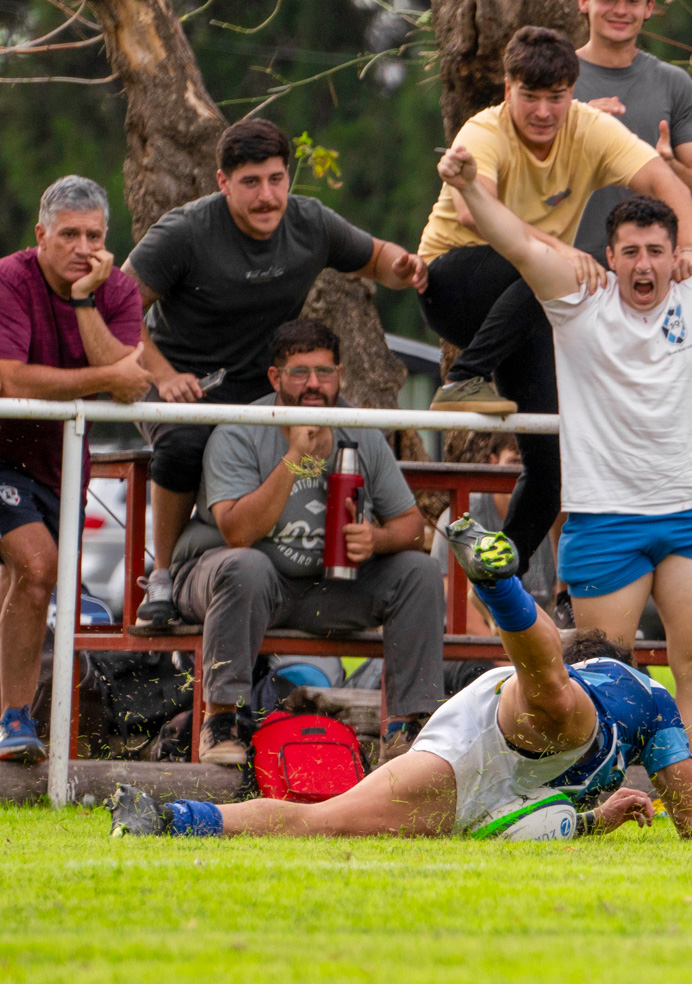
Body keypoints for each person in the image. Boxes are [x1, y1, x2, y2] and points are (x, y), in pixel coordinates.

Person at [435, 141, 692, 807]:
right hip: (604, 519)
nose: (643, 264)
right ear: (610, 256)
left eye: (656, 250)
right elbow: (519, 245)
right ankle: (601, 799)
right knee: (600, 672)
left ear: (675, 253)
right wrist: (473, 188)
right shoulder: (576, 298)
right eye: (631, 251)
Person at [108, 520, 692, 841]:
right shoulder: (640, 692)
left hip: (484, 773)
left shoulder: (600, 695)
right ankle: (499, 585)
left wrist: (594, 821)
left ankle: (168, 819)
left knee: (325, 823)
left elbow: (538, 818)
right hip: (509, 723)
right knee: (554, 695)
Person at [122, 119, 428, 633]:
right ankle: (163, 576)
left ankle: (334, 563)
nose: (267, 196)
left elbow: (375, 257)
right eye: (250, 183)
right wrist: (165, 373)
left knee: (350, 430)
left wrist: (404, 265)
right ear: (222, 182)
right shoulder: (185, 232)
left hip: (263, 381)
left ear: (289, 177)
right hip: (179, 377)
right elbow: (118, 308)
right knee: (182, 442)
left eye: (276, 179)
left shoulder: (310, 222)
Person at [419, 26, 692, 571]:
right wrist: (560, 253)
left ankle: (502, 569)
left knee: (551, 463)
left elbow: (672, 188)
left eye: (556, 98)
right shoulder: (484, 131)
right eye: (530, 96)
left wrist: (689, 250)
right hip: (454, 282)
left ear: (573, 94)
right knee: (553, 269)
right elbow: (481, 216)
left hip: (529, 304)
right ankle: (462, 382)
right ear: (508, 91)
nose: (544, 111)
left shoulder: (592, 129)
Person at [169, 320, 441, 765]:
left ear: (339, 375)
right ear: (276, 378)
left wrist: (376, 538)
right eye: (300, 373)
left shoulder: (361, 431)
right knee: (247, 566)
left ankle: (410, 731)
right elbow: (238, 533)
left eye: (325, 371)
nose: (314, 384)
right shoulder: (241, 429)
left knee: (421, 571)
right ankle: (221, 722)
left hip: (323, 589)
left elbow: (413, 527)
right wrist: (296, 458)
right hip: (227, 582)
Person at [0, 176, 150, 762]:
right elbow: (11, 377)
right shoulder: (12, 278)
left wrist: (87, 300)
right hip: (4, 455)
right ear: (41, 234)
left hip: (61, 466)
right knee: (39, 570)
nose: (82, 247)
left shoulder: (115, 290)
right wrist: (103, 383)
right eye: (69, 235)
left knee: (22, 587)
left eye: (94, 235)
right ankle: (15, 719)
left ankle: (10, 724)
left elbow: (128, 379)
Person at [571, 0, 692, 257]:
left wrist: (669, 168)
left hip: (649, 273)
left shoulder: (674, 83)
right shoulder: (553, 82)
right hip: (567, 267)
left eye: (632, 2)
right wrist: (573, 124)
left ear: (649, 8)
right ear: (584, 3)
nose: (620, 10)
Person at [430, 433, 561, 632]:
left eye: (530, 465)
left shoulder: (551, 517)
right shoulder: (461, 515)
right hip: (473, 650)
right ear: (493, 462)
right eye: (514, 462)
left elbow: (555, 603)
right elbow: (461, 609)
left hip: (530, 640)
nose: (522, 474)